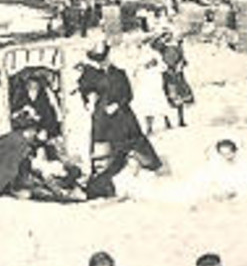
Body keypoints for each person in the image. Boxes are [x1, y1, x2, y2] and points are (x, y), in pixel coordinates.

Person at [77, 41, 161, 176]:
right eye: (98, 60)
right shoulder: (91, 75)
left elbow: (128, 94)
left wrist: (117, 105)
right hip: (101, 116)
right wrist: (88, 99)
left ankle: (148, 165)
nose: (102, 63)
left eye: (104, 59)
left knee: (131, 138)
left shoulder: (119, 74)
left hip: (122, 115)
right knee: (102, 142)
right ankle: (103, 172)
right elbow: (84, 89)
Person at [158, 32, 194, 128]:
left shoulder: (177, 48)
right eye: (165, 36)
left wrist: (179, 65)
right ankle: (167, 122)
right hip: (167, 76)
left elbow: (184, 61)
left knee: (180, 98)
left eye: (169, 36)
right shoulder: (161, 49)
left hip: (177, 76)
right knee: (167, 98)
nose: (168, 38)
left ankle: (181, 120)